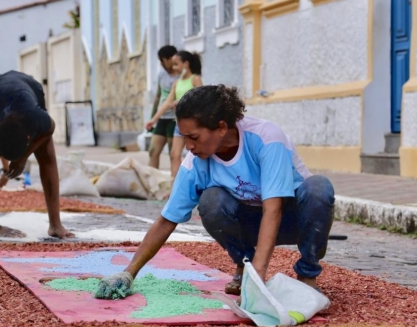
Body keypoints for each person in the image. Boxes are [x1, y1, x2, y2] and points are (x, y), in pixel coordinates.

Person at [96, 85, 335, 299]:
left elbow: (273, 210)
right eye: (184, 137)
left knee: (318, 187)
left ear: (221, 127)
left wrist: (258, 282)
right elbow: (166, 220)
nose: (188, 146)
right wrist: (129, 273)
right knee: (211, 200)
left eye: (194, 137)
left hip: (292, 218)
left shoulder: (266, 138)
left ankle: (307, 275)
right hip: (248, 224)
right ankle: (244, 264)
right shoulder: (195, 162)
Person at [0, 70, 74, 239]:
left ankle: (55, 225)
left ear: (27, 137)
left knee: (47, 153)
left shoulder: (34, 116)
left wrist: (23, 158)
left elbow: (50, 128)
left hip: (30, 87)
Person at [146, 50, 203, 179]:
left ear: (186, 64)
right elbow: (167, 102)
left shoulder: (195, 79)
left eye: (176, 64)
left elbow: (201, 100)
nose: (174, 68)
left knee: (194, 155)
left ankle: (193, 184)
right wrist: (153, 120)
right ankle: (174, 188)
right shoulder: (177, 83)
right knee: (174, 155)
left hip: (193, 124)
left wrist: (181, 102)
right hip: (179, 124)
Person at [147, 45, 180, 169]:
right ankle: (152, 183)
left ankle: (174, 184)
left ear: (170, 58)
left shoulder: (180, 76)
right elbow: (158, 95)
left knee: (173, 154)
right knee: (153, 150)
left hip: (174, 119)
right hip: (162, 117)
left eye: (162, 60)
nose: (161, 64)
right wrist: (153, 117)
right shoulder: (161, 74)